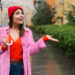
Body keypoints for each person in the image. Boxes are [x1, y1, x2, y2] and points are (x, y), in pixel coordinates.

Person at [0, 6, 59, 75]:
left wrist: (43, 39)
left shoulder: (27, 32)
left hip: (19, 67)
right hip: (3, 66)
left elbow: (31, 50)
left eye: (22, 13)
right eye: (17, 13)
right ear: (11, 16)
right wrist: (4, 46)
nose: (21, 15)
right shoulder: (2, 32)